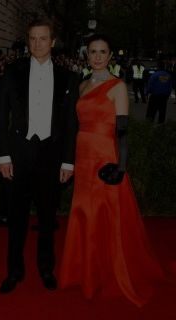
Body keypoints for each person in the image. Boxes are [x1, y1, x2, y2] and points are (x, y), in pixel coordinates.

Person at [58, 34, 165, 307]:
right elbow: (72, 127)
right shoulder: (81, 86)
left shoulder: (118, 86)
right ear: (87, 55)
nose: (97, 56)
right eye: (92, 51)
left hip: (105, 156)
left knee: (105, 212)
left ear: (109, 56)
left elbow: (123, 132)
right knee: (83, 211)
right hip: (83, 155)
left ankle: (108, 272)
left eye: (102, 51)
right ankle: (86, 272)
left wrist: (122, 166)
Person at [0, 19, 78, 294]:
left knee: (46, 219)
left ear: (52, 42)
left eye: (43, 38)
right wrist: (3, 155)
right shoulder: (12, 71)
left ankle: (46, 268)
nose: (38, 43)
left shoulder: (68, 77)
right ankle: (14, 270)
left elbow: (70, 124)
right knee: (16, 219)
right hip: (18, 155)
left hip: (52, 157)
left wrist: (68, 160)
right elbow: (1, 118)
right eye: (33, 38)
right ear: (28, 41)